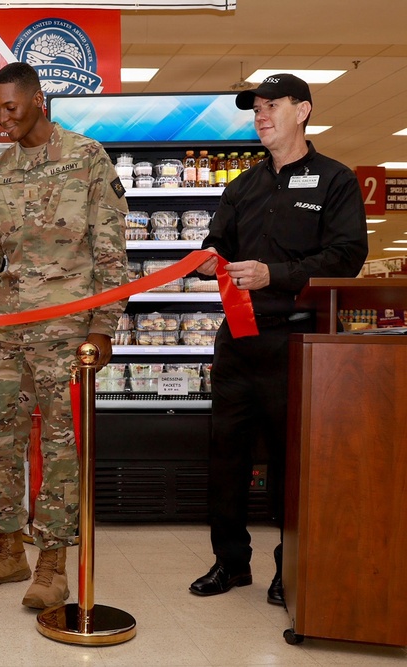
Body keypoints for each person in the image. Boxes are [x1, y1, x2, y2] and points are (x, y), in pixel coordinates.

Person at [0, 62, 129, 609]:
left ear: (38, 101)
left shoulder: (88, 158)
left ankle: (53, 562)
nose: (1, 119)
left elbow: (111, 252)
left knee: (62, 447)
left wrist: (103, 326)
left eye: (10, 108)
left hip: (67, 331)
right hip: (4, 331)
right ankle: (8, 548)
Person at [189, 73, 368, 605]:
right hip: (238, 341)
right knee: (226, 458)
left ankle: (287, 568)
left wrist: (275, 274)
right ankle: (229, 563)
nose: (260, 115)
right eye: (255, 108)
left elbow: (346, 258)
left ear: (304, 110)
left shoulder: (336, 180)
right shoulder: (243, 185)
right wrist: (205, 260)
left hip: (297, 344)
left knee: (291, 464)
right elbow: (216, 241)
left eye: (272, 105)